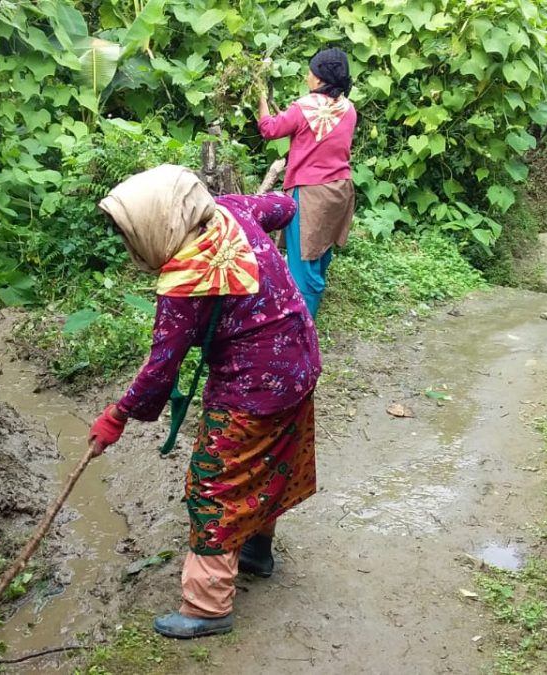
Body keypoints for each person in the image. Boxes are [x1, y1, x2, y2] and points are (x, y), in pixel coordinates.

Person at [90, 165, 321, 639]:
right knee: (271, 460)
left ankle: (207, 606)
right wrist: (263, 207)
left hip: (250, 389)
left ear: (157, 224)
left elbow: (159, 371)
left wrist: (116, 416)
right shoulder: (232, 210)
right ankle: (256, 549)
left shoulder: (185, 282)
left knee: (214, 483)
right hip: (299, 363)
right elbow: (285, 206)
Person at [258, 47, 357, 319]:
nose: (306, 75)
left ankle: (301, 329)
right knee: (321, 254)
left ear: (319, 78)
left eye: (310, 71)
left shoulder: (304, 107)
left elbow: (269, 129)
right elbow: (318, 137)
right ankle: (306, 316)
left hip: (311, 193)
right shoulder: (348, 109)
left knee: (303, 265)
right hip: (340, 190)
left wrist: (261, 102)